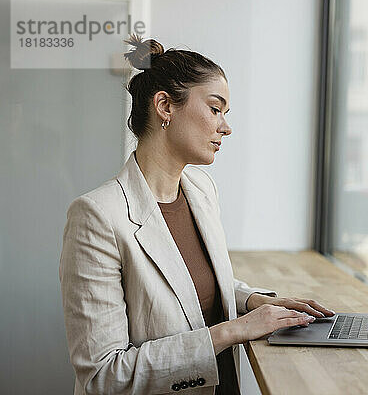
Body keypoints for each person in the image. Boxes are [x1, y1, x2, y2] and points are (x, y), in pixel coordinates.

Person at [59, 34, 335, 395]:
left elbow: (190, 287)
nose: (226, 126)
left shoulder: (202, 189)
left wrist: (254, 301)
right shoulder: (96, 217)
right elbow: (104, 377)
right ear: (165, 106)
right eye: (215, 108)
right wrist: (235, 330)